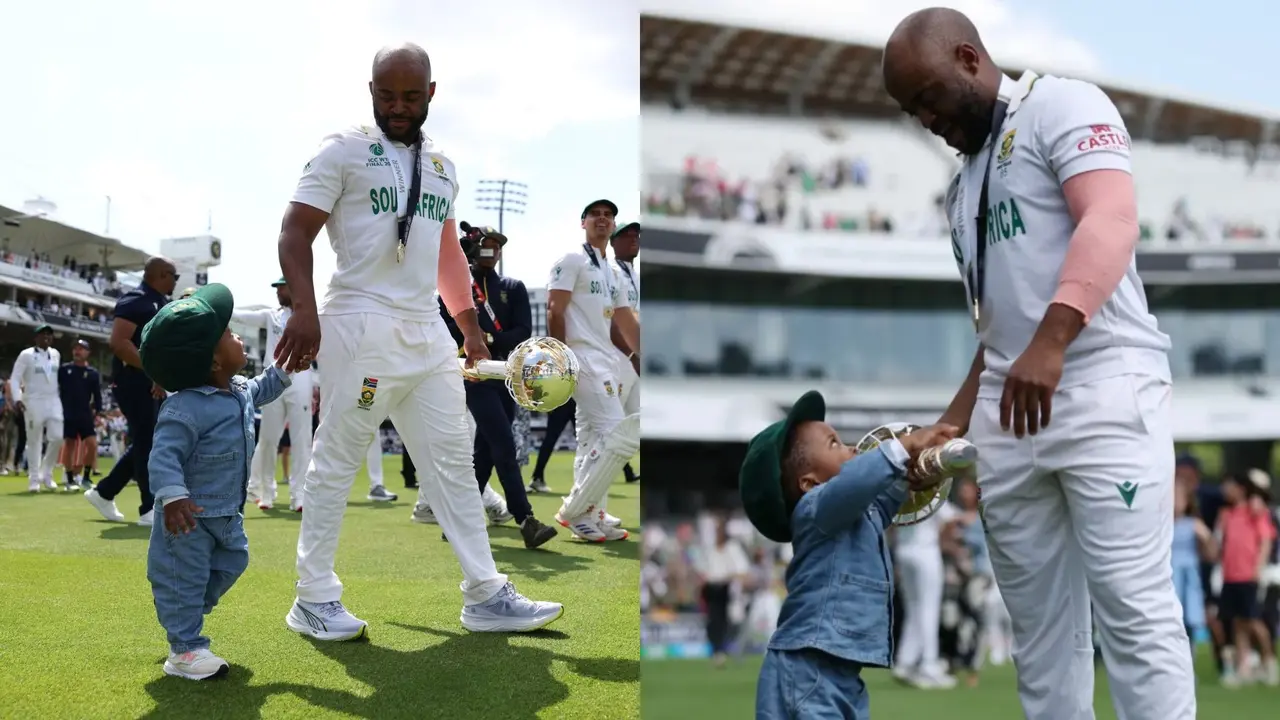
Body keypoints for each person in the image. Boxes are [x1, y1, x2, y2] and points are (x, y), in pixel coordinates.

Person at [883, 8, 1195, 718]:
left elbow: (1111, 218)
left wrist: (1053, 341)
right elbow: (998, 332)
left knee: (1133, 612)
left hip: (1102, 382)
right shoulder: (963, 187)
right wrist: (948, 422)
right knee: (1041, 636)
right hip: (1010, 409)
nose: (924, 117)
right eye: (910, 109)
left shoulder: (1062, 103)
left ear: (969, 58)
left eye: (927, 95)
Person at [274, 43, 562, 639]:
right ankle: (313, 596)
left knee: (454, 464)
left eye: (410, 97)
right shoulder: (342, 149)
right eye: (386, 96)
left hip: (427, 334)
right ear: (370, 90)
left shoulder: (443, 165)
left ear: (432, 93)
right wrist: (304, 309)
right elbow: (293, 233)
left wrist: (471, 329)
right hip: (360, 323)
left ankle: (485, 593)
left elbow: (446, 251)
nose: (398, 107)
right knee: (338, 457)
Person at [738, 390, 957, 718]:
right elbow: (856, 483)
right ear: (809, 484)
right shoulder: (816, 509)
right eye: (834, 444)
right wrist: (901, 447)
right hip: (809, 667)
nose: (852, 448)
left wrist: (909, 476)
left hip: (837, 671)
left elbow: (883, 500)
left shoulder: (855, 512)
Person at [140, 283, 291, 680]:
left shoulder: (238, 390)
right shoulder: (184, 406)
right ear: (212, 363)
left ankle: (183, 606)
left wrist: (288, 366)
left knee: (234, 560)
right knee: (185, 576)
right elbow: (164, 455)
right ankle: (185, 649)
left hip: (226, 512)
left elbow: (264, 388)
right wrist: (173, 497)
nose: (237, 336)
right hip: (187, 518)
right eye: (227, 334)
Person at [427, 222, 557, 548]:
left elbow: (523, 331)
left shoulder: (513, 287)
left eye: (497, 246)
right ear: (470, 250)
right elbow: (450, 327)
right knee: (502, 441)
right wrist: (478, 338)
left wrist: (489, 337)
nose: (492, 250)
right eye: (485, 245)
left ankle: (457, 520)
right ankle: (525, 518)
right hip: (475, 374)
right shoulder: (457, 289)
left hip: (509, 376)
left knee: (485, 451)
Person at [546, 199, 641, 541]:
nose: (602, 219)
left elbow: (623, 323)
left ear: (613, 225)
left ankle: (592, 514)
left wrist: (640, 353)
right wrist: (561, 359)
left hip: (606, 360)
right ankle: (575, 509)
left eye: (608, 215)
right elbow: (555, 310)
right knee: (619, 435)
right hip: (580, 359)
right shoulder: (572, 260)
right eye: (595, 215)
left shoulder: (611, 271)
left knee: (591, 441)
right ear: (582, 223)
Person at [87, 256, 178, 525]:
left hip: (151, 381)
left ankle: (104, 492)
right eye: (174, 276)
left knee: (146, 440)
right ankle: (149, 507)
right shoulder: (135, 300)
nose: (176, 282)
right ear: (162, 274)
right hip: (133, 380)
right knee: (147, 441)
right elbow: (118, 342)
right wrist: (153, 371)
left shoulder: (161, 303)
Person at [232, 276, 315, 512]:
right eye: (276, 288)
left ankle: (299, 495)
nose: (278, 292)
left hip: (301, 379)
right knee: (268, 439)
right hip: (274, 379)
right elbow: (240, 316)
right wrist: (217, 307)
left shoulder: (308, 314)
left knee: (302, 439)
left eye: (282, 287)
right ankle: (266, 492)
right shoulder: (271, 315)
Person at [1216, 469, 1278, 686]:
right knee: (1238, 623)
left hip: (1248, 575)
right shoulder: (1229, 514)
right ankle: (1244, 667)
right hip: (1231, 575)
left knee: (1253, 620)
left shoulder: (1256, 512)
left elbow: (1266, 540)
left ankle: (1270, 661)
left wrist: (1257, 567)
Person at [892, 492, 959, 688]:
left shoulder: (901, 493)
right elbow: (950, 518)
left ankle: (905, 661)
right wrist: (946, 540)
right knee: (929, 608)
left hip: (904, 550)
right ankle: (929, 665)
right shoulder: (932, 493)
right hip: (926, 550)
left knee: (913, 608)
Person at [9, 324, 64, 492]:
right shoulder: (26, 355)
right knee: (34, 441)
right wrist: (17, 398)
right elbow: (15, 379)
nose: (46, 337)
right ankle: (34, 480)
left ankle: (46, 473)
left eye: (49, 335)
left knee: (57, 437)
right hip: (32, 402)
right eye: (43, 334)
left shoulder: (55, 354)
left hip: (53, 400)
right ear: (36, 338)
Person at [609, 221, 642, 485]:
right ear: (613, 242)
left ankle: (622, 471)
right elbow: (614, 323)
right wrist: (633, 356)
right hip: (618, 359)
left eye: (636, 235)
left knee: (636, 424)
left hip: (635, 359)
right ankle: (588, 498)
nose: (634, 239)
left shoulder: (634, 275)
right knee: (609, 425)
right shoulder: (610, 273)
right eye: (626, 235)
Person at [1171, 481, 1214, 655]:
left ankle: (1189, 658)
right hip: (1168, 576)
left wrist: (1206, 538)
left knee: (1188, 618)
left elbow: (1211, 552)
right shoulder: (1161, 524)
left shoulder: (1192, 524)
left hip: (1187, 578)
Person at [58, 339, 103, 491]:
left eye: (82, 348)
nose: (78, 351)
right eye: (76, 348)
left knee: (92, 444)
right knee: (69, 445)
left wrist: (98, 411)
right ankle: (70, 480)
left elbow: (97, 395)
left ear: (88, 352)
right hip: (67, 413)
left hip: (85, 414)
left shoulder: (93, 373)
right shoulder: (64, 370)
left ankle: (86, 477)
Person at [528, 398, 575, 494]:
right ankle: (590, 480)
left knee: (550, 440)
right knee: (586, 441)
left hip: (560, 400)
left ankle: (537, 477)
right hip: (575, 401)